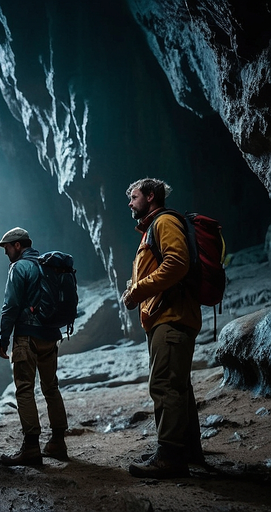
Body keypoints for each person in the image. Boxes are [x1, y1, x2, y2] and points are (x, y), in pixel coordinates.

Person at [122, 178, 203, 479]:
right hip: (166, 314)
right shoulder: (152, 228)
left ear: (150, 195)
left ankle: (169, 456)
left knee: (165, 385)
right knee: (178, 386)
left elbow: (177, 263)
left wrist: (136, 291)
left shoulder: (165, 222)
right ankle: (187, 450)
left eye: (133, 197)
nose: (130, 203)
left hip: (171, 315)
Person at [0, 227, 68, 466]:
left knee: (24, 389)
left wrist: (3, 338)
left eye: (7, 247)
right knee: (51, 387)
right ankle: (58, 442)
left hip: (27, 336)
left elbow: (11, 306)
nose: (5, 252)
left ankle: (31, 447)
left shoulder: (19, 267)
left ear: (18, 245)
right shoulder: (48, 265)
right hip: (50, 335)